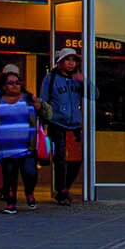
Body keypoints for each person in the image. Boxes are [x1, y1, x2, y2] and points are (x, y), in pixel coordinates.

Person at [0, 71, 43, 211]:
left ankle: (29, 192)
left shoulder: (29, 99)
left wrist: (40, 106)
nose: (15, 86)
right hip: (5, 148)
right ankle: (11, 202)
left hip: (26, 147)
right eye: (11, 83)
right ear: (4, 86)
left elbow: (48, 113)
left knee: (30, 172)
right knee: (9, 175)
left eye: (17, 82)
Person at [39, 47, 87, 206]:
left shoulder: (78, 79)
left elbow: (95, 95)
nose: (71, 63)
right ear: (60, 62)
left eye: (74, 60)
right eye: (68, 60)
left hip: (75, 125)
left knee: (77, 159)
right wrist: (45, 119)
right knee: (60, 158)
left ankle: (65, 187)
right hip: (57, 123)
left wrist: (84, 82)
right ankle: (61, 190)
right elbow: (43, 100)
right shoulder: (50, 78)